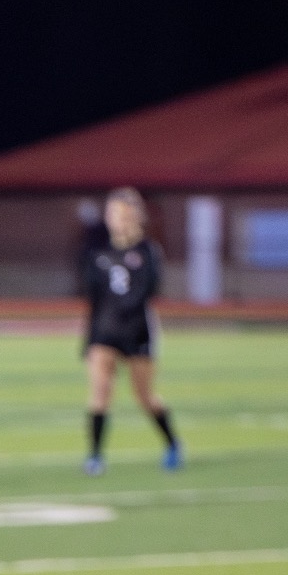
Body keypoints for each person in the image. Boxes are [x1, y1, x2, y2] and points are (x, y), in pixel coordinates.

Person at [80, 187, 181, 475]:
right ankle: (95, 456)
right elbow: (95, 302)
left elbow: (146, 292)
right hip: (104, 333)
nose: (118, 220)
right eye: (113, 214)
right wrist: (89, 341)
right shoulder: (99, 254)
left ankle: (172, 443)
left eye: (124, 214)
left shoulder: (147, 251)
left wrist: (123, 318)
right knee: (100, 391)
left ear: (137, 217)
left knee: (144, 396)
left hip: (137, 333)